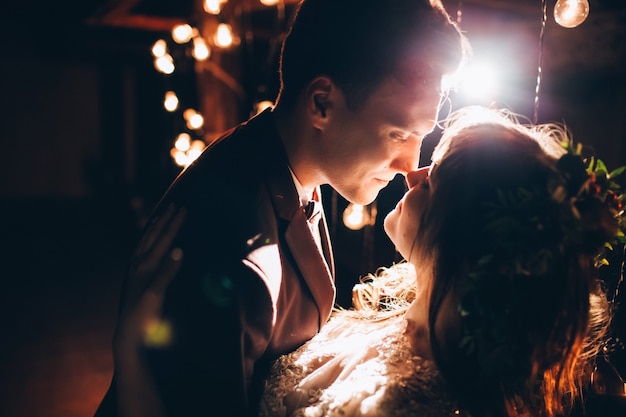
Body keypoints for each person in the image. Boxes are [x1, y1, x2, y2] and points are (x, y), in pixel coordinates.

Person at [94, 1, 470, 416]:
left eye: (420, 135)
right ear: (321, 103)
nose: (407, 164)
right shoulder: (235, 247)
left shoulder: (288, 163)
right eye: (398, 132)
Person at [256, 106, 625, 417]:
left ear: (460, 237)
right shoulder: (399, 316)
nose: (413, 174)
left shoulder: (412, 405)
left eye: (434, 179)